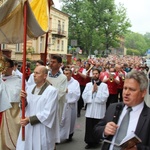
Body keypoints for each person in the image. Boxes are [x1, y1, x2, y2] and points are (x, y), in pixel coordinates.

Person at [93, 70, 150, 150]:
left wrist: (138, 149)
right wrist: (104, 131)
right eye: (125, 88)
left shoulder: (148, 116)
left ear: (143, 93)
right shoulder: (113, 107)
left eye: (132, 89)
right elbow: (96, 130)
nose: (126, 93)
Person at [16, 66, 59, 150]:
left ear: (45, 76)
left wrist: (29, 120)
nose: (34, 75)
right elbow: (26, 107)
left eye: (37, 73)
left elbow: (48, 113)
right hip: (28, 127)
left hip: (41, 127)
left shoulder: (51, 91)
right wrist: (23, 100)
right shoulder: (29, 88)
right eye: (34, 72)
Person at [82, 68, 109, 149]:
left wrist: (97, 91)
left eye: (96, 73)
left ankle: (97, 141)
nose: (95, 75)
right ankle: (89, 142)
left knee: (97, 126)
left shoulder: (104, 85)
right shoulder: (88, 85)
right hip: (90, 110)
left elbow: (105, 97)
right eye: (93, 73)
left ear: (99, 74)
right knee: (89, 126)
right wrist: (92, 91)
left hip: (99, 109)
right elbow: (84, 96)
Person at [0, 56, 22, 150]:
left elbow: (20, 98)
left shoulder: (18, 80)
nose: (4, 69)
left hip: (12, 112)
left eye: (6, 66)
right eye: (2, 66)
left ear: (13, 67)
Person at [60, 68, 80, 142]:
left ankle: (69, 135)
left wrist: (69, 91)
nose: (66, 75)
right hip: (62, 104)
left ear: (71, 74)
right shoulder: (61, 82)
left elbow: (77, 94)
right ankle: (58, 137)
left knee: (70, 121)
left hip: (70, 105)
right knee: (60, 121)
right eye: (64, 74)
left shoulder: (75, 83)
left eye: (67, 74)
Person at [47, 55, 67, 123]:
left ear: (59, 64)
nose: (51, 64)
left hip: (56, 106)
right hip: (44, 104)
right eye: (51, 61)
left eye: (54, 62)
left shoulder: (63, 78)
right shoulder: (45, 75)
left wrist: (49, 85)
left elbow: (60, 93)